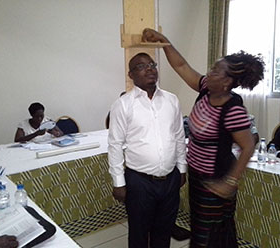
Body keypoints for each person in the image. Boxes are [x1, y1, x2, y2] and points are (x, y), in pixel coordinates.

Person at [142, 28, 265, 248]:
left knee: (209, 237)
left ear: (227, 82)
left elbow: (248, 146)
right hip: (198, 176)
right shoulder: (207, 88)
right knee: (201, 229)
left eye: (216, 70)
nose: (209, 72)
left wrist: (230, 182)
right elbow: (181, 66)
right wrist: (165, 42)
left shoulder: (232, 109)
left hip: (217, 179)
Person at [108, 52, 187, 248]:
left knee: (164, 230)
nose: (150, 68)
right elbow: (115, 144)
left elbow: (178, 135)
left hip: (170, 179)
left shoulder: (171, 100)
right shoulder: (123, 104)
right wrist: (119, 182)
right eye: (142, 66)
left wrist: (182, 169)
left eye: (152, 64)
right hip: (139, 182)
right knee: (139, 233)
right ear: (131, 75)